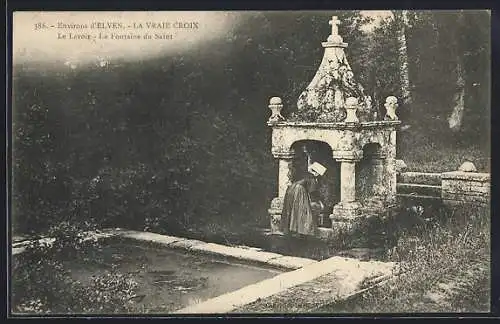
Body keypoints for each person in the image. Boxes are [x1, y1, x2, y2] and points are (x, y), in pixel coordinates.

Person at [280, 162, 327, 237]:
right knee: (303, 211)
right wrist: (320, 202)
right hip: (299, 191)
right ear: (317, 174)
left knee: (293, 210)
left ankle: (291, 229)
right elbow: (313, 193)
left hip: (291, 189)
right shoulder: (312, 179)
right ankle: (302, 230)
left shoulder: (306, 176)